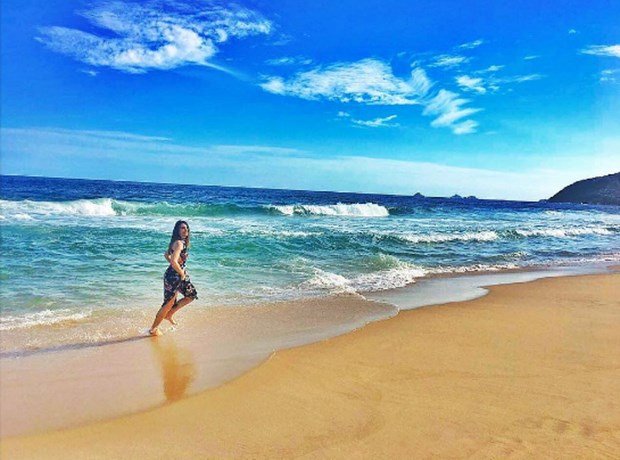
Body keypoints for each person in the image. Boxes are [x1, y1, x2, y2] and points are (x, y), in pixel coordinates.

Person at [149, 220, 198, 336]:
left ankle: (169, 315)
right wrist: (182, 273)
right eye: (182, 228)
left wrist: (180, 268)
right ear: (177, 230)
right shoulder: (179, 244)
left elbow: (167, 255)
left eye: (186, 228)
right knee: (168, 303)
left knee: (191, 295)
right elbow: (174, 261)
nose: (185, 230)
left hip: (174, 275)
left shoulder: (177, 243)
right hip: (174, 277)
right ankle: (153, 329)